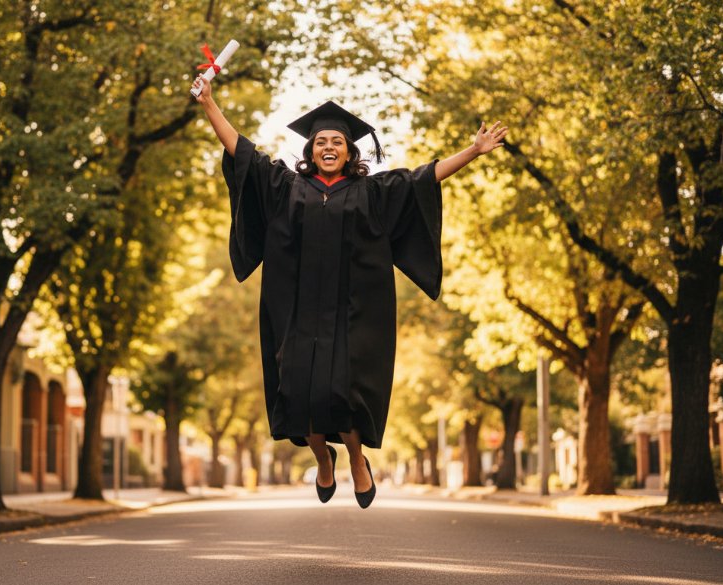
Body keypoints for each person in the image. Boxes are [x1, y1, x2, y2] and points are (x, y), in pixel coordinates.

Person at [192, 76, 506, 508]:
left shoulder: (372, 192)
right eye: (321, 140)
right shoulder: (286, 187)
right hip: (298, 316)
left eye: (336, 141)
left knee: (343, 393)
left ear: (349, 150)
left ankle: (357, 460)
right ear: (310, 149)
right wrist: (209, 104)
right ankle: (324, 461)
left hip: (351, 315)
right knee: (301, 392)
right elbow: (242, 152)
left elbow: (422, 179)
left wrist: (473, 151)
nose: (328, 146)